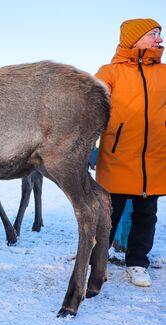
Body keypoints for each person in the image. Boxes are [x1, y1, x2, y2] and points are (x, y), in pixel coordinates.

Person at [95, 18, 165, 287]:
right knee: (109, 213)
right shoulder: (109, 72)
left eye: (159, 34)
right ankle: (98, 260)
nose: (159, 39)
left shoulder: (164, 73)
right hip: (118, 154)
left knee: (147, 213)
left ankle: (137, 263)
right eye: (153, 34)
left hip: (155, 157)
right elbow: (91, 108)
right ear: (135, 39)